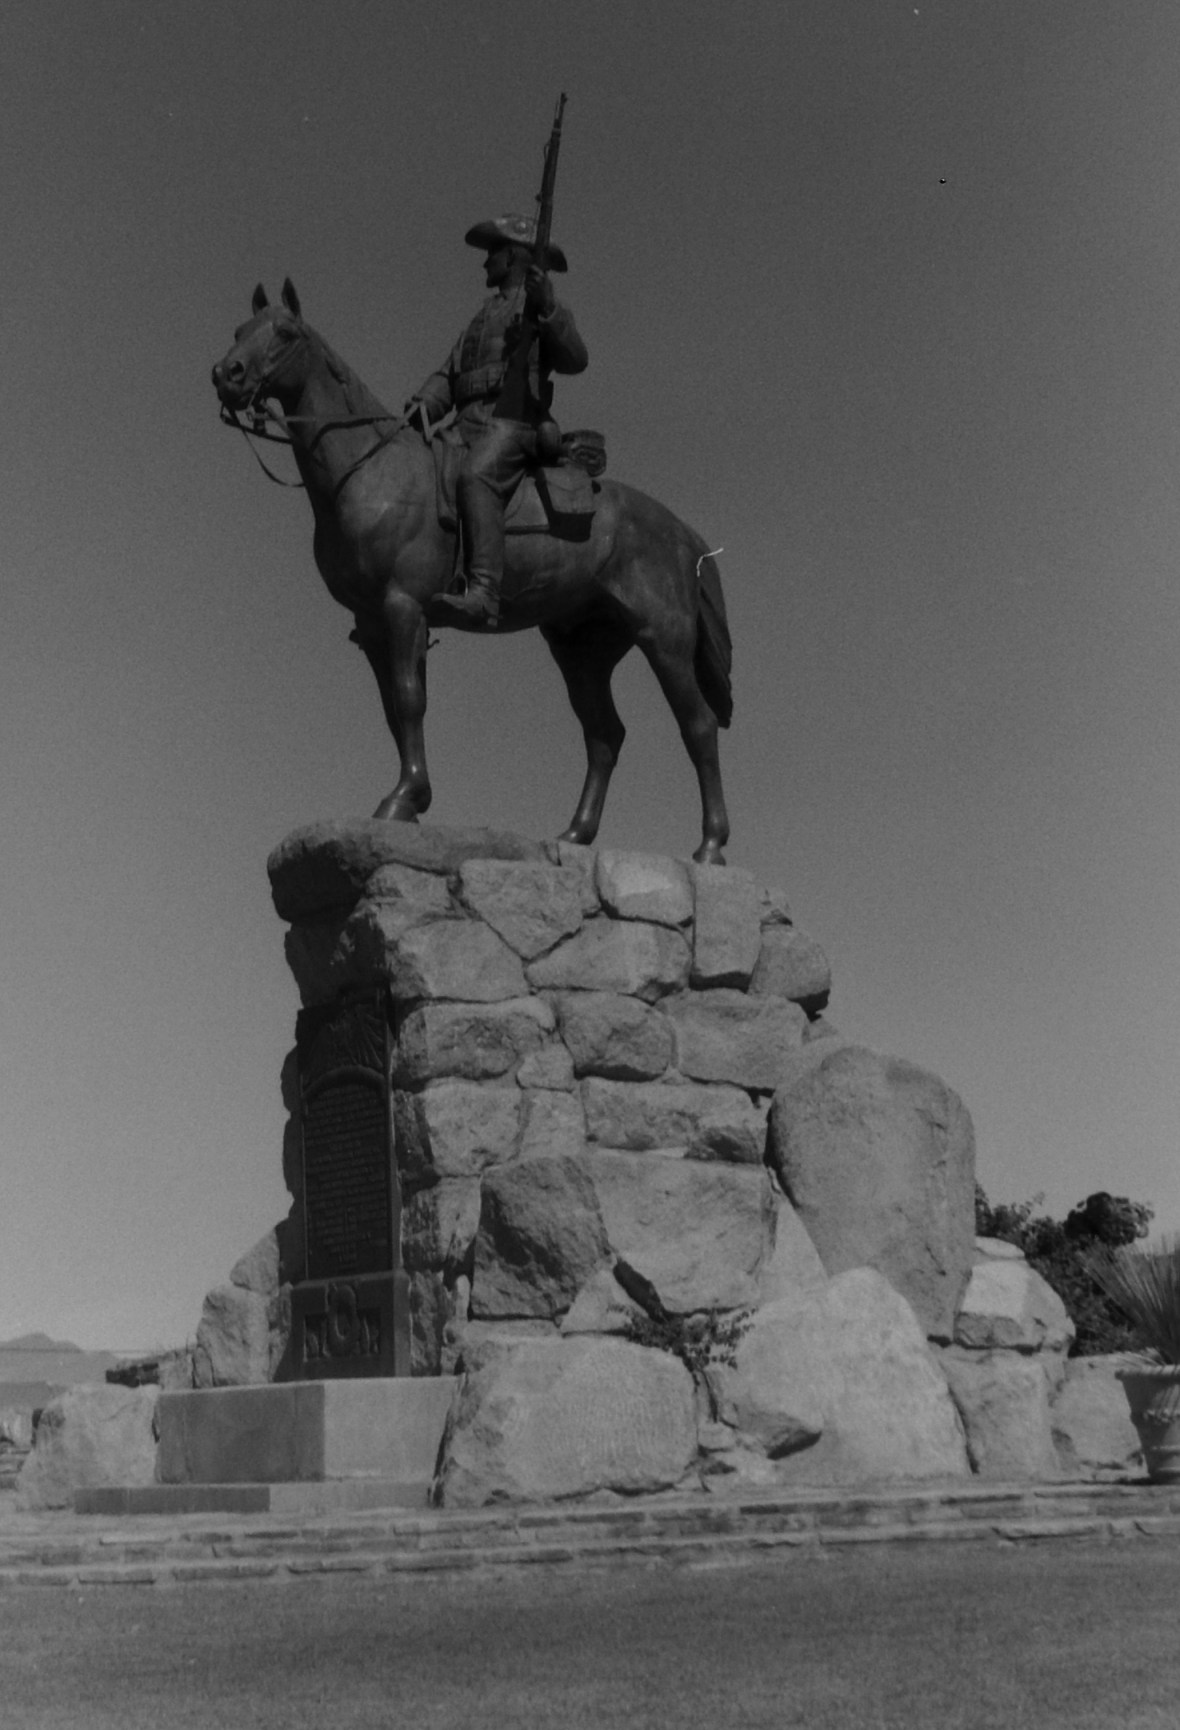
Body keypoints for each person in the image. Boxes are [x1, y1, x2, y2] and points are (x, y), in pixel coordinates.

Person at [405, 213, 589, 627]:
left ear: (514, 258)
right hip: (466, 423)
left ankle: (484, 591)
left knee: (476, 477)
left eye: (493, 254)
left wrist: (550, 310)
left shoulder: (540, 308)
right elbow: (450, 373)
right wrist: (425, 405)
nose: (486, 262)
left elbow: (576, 359)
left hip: (513, 425)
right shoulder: (483, 315)